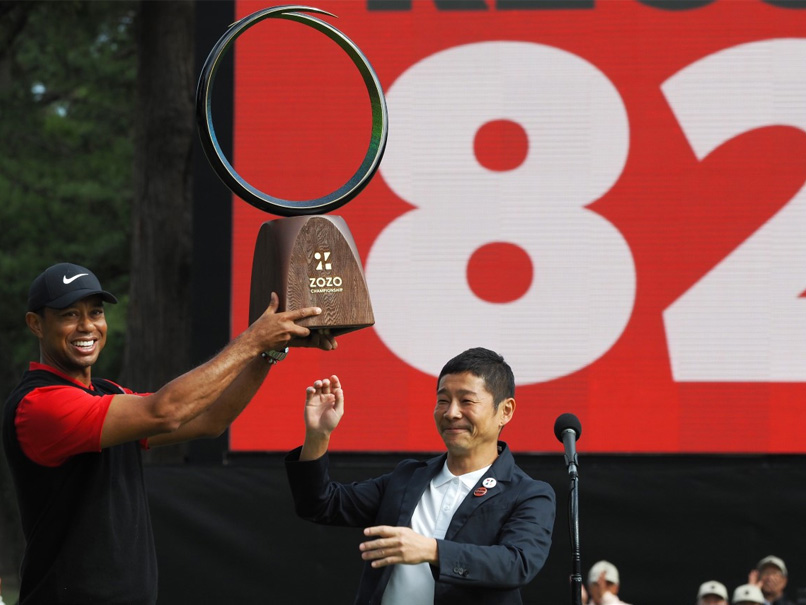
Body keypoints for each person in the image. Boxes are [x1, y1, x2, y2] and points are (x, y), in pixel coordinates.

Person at [2, 262, 336, 604]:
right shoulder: (39, 404)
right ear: (36, 325)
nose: (87, 326)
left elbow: (209, 419)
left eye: (96, 312)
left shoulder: (105, 392)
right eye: (69, 315)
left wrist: (270, 350)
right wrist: (253, 339)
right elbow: (166, 412)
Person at [284, 347, 555, 605]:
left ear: (505, 411)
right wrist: (318, 436)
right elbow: (320, 504)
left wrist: (431, 550)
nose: (451, 413)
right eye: (443, 400)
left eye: (466, 401)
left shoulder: (528, 494)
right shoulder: (408, 478)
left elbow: (516, 564)